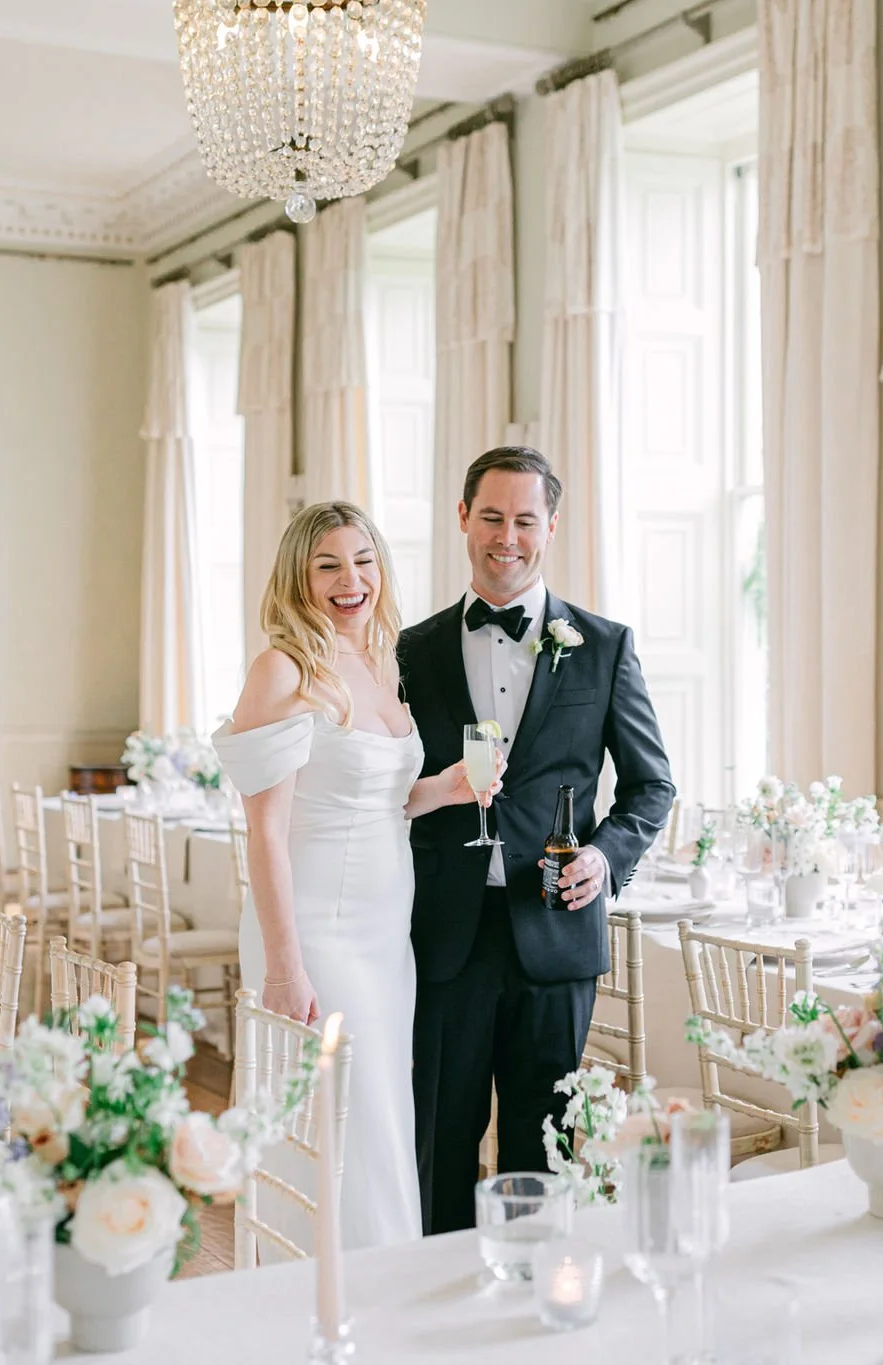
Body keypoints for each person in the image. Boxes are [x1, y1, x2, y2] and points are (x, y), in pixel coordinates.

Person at [398, 445, 676, 1235]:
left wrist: (604, 856)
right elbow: (387, 783)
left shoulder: (606, 645)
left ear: (550, 526)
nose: (507, 536)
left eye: (525, 519)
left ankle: (527, 1312)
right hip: (443, 934)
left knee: (541, 1148)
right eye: (492, 516)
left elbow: (653, 787)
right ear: (463, 519)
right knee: (440, 1141)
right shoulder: (412, 651)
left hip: (555, 934)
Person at [214, 500, 496, 1249]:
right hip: (313, 930)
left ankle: (384, 1283)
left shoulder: (379, 658)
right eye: (329, 564)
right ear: (298, 577)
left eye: (363, 560)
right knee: (336, 1112)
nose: (351, 580)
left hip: (383, 931)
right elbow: (267, 829)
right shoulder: (282, 668)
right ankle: (324, 1286)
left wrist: (447, 788)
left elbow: (384, 799)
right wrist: (284, 966)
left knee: (381, 1107)